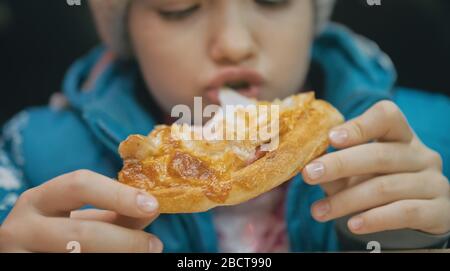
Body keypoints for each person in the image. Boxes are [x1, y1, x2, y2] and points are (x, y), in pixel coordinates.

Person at [0, 0, 449, 253]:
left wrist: (421, 242)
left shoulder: (434, 140)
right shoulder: (26, 161)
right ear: (127, 32)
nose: (234, 44)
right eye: (179, 8)